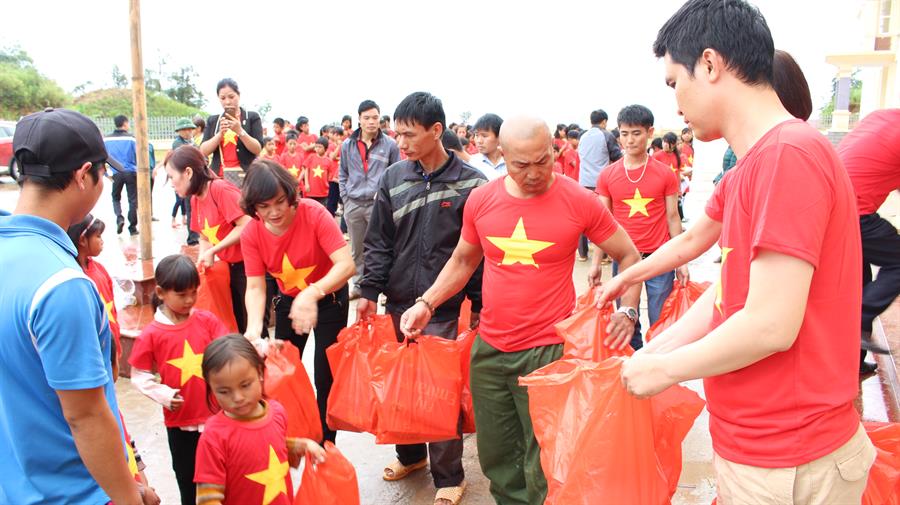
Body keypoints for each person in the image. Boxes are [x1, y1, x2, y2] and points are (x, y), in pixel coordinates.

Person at [600, 1, 876, 503]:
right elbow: (730, 294)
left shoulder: (788, 156)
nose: (676, 102)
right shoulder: (756, 165)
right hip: (759, 447)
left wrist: (664, 370)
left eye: (673, 82)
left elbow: (771, 323)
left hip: (790, 456)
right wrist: (657, 350)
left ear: (709, 64)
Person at [399, 117, 642, 504]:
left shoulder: (578, 200)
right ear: (501, 156)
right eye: (521, 165)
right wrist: (427, 302)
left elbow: (629, 254)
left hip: (549, 352)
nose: (534, 174)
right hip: (491, 350)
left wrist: (627, 312)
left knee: (544, 457)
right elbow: (463, 261)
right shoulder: (481, 200)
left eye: (542, 161)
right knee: (498, 456)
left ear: (554, 151)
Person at [0, 108, 143, 505]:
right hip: (72, 493)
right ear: (84, 176)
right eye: (103, 173)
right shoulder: (62, 284)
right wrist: (128, 496)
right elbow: (86, 416)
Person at [356, 92, 486, 505]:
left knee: (439, 393)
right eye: (399, 134)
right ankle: (409, 456)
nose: (403, 142)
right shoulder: (394, 178)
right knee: (401, 388)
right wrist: (367, 290)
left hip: (446, 307)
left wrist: (481, 305)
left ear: (436, 131)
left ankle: (449, 474)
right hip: (397, 302)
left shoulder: (471, 184)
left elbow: (478, 255)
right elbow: (378, 242)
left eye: (410, 134)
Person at [240, 159, 356, 443]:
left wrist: (311, 293)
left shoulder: (314, 213)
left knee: (325, 377)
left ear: (291, 195)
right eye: (263, 207)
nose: (274, 212)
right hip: (289, 303)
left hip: (329, 299)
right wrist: (253, 329)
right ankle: (286, 438)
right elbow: (255, 286)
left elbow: (345, 265)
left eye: (280, 202)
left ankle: (325, 445)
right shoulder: (251, 232)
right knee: (279, 371)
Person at [128, 254, 229, 505]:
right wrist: (163, 394)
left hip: (217, 417)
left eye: (194, 292)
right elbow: (139, 376)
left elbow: (229, 349)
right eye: (182, 294)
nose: (189, 300)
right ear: (161, 292)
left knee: (223, 479)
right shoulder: (151, 334)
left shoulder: (206, 320)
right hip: (181, 423)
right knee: (188, 482)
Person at [592, 105, 689, 350]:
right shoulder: (607, 175)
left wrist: (681, 262)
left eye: (636, 133)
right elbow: (603, 223)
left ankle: (657, 370)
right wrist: (596, 264)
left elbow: (673, 217)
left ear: (649, 132)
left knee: (660, 321)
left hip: (659, 259)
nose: (629, 140)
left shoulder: (665, 174)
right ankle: (631, 367)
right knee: (625, 320)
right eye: (624, 134)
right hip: (624, 261)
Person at [195, 335, 326, 505]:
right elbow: (208, 496)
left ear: (259, 373)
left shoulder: (276, 412)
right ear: (211, 388)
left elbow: (270, 444)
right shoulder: (214, 436)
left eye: (245, 385)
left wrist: (302, 445)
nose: (238, 397)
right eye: (224, 391)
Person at [165, 145, 254, 334]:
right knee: (234, 324)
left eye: (171, 177)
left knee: (250, 326)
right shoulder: (195, 199)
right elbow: (204, 236)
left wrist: (214, 250)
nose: (171, 183)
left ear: (187, 172)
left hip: (247, 268)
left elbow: (247, 224)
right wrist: (203, 257)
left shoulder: (220, 189)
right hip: (227, 268)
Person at [837, 108, 900, 373]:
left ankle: (851, 361)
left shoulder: (881, 117)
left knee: (858, 281)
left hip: (832, 203)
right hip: (856, 211)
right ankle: (860, 316)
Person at [338, 99, 401, 299]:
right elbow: (342, 174)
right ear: (359, 120)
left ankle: (384, 288)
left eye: (375, 117)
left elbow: (396, 173)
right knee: (357, 249)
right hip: (354, 204)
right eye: (367, 118)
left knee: (383, 247)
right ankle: (358, 285)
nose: (372, 122)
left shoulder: (390, 145)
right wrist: (346, 199)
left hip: (379, 205)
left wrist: (387, 201)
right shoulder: (347, 145)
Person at [66, 214, 123, 354]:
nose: (102, 241)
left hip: (112, 341)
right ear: (82, 240)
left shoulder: (100, 269)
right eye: (98, 236)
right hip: (95, 349)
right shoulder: (75, 279)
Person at [576, 109, 623, 260]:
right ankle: (603, 256)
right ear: (604, 121)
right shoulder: (606, 135)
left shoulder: (582, 136)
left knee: (583, 219)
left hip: (583, 182)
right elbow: (617, 156)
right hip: (601, 183)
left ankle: (583, 254)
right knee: (603, 218)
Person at [200, 78, 263, 185]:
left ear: (239, 95)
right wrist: (220, 134)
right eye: (222, 98)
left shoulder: (252, 117)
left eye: (231, 96)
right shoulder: (214, 121)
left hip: (246, 177)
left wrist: (240, 131)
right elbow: (203, 151)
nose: (227, 102)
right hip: (220, 177)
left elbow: (257, 149)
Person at [105, 114, 140, 236]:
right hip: (130, 171)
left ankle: (119, 217)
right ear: (125, 124)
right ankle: (133, 227)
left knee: (115, 197)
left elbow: (103, 157)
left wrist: (106, 173)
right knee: (133, 199)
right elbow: (138, 155)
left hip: (116, 173)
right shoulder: (131, 139)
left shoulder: (107, 139)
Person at [468, 113, 506, 180]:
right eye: (476, 135)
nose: (479, 141)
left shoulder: (511, 162)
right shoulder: (473, 162)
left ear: (499, 137)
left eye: (484, 136)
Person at [304, 137, 337, 207]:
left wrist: (328, 183)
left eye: (320, 147)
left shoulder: (328, 161)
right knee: (311, 209)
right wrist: (306, 183)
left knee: (321, 210)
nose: (317, 149)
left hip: (323, 192)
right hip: (311, 190)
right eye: (316, 147)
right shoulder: (311, 157)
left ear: (325, 149)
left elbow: (330, 175)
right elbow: (306, 170)